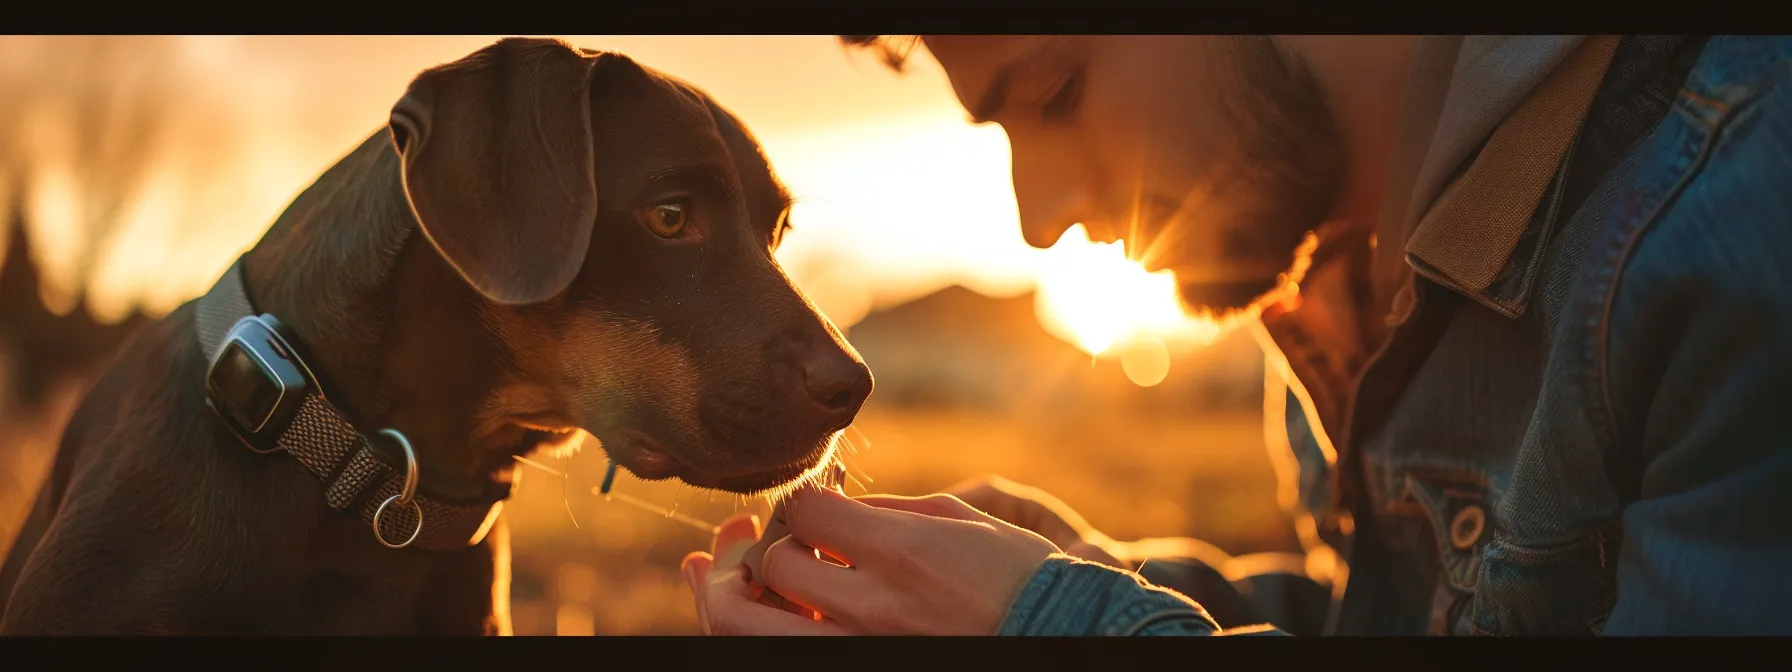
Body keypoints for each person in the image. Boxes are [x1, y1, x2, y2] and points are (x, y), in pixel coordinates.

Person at [680, 35, 1792, 636]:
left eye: (1057, 90)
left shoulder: (1741, 205)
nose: (1038, 215)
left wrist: (1056, 632)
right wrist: (1087, 581)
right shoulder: (1336, 287)